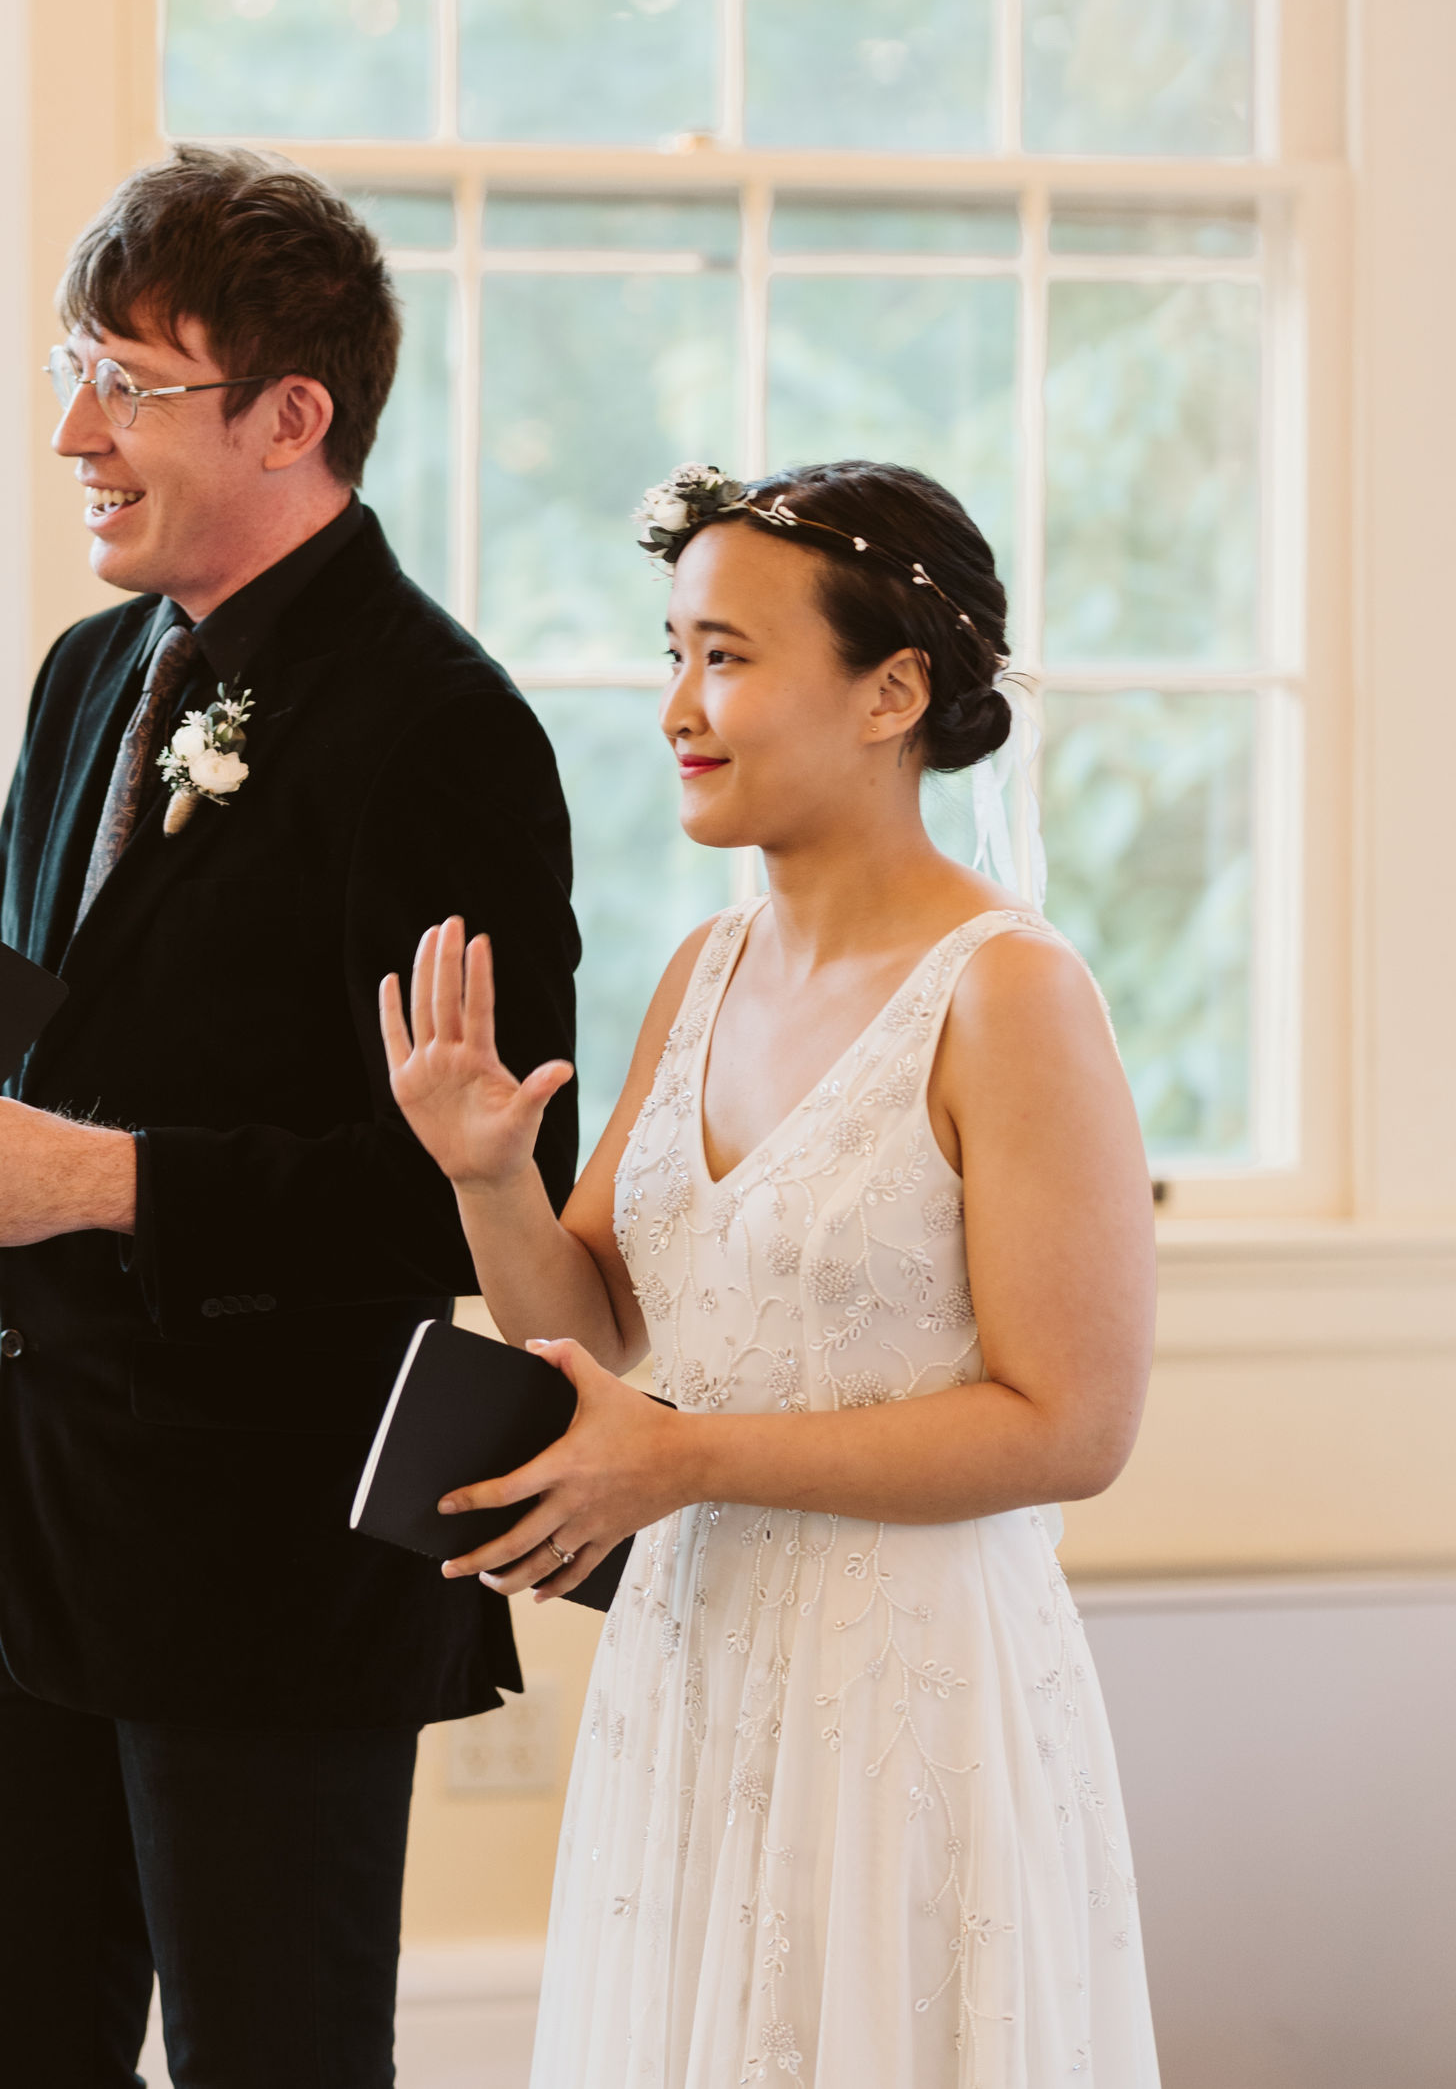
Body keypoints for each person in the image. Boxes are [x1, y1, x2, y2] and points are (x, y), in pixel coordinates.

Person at [0, 144, 582, 2089]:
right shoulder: (90, 671)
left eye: (127, 381)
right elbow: (38, 1049)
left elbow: (473, 1198)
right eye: (64, 367)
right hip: (20, 1523)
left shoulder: (439, 727)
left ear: (291, 415)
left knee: (275, 2058)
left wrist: (100, 1181)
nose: (73, 430)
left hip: (266, 1555)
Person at [381, 459, 1161, 2089]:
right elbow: (578, 1329)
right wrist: (488, 1177)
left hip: (909, 1700)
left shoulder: (1009, 993)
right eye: (674, 649)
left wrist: (689, 1456)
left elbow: (1070, 1425)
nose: (680, 702)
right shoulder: (705, 968)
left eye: (727, 656)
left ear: (894, 691)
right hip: (695, 1665)